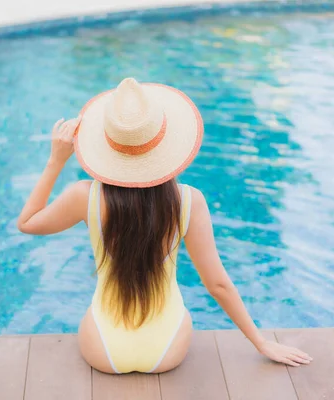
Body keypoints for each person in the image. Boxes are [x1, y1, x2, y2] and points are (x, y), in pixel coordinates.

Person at [17, 78, 312, 374]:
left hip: (103, 350)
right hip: (167, 350)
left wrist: (56, 161)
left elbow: (27, 223)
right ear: (166, 143)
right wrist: (261, 343)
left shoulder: (85, 196)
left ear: (108, 144)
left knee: (94, 312)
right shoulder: (188, 202)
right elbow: (218, 284)